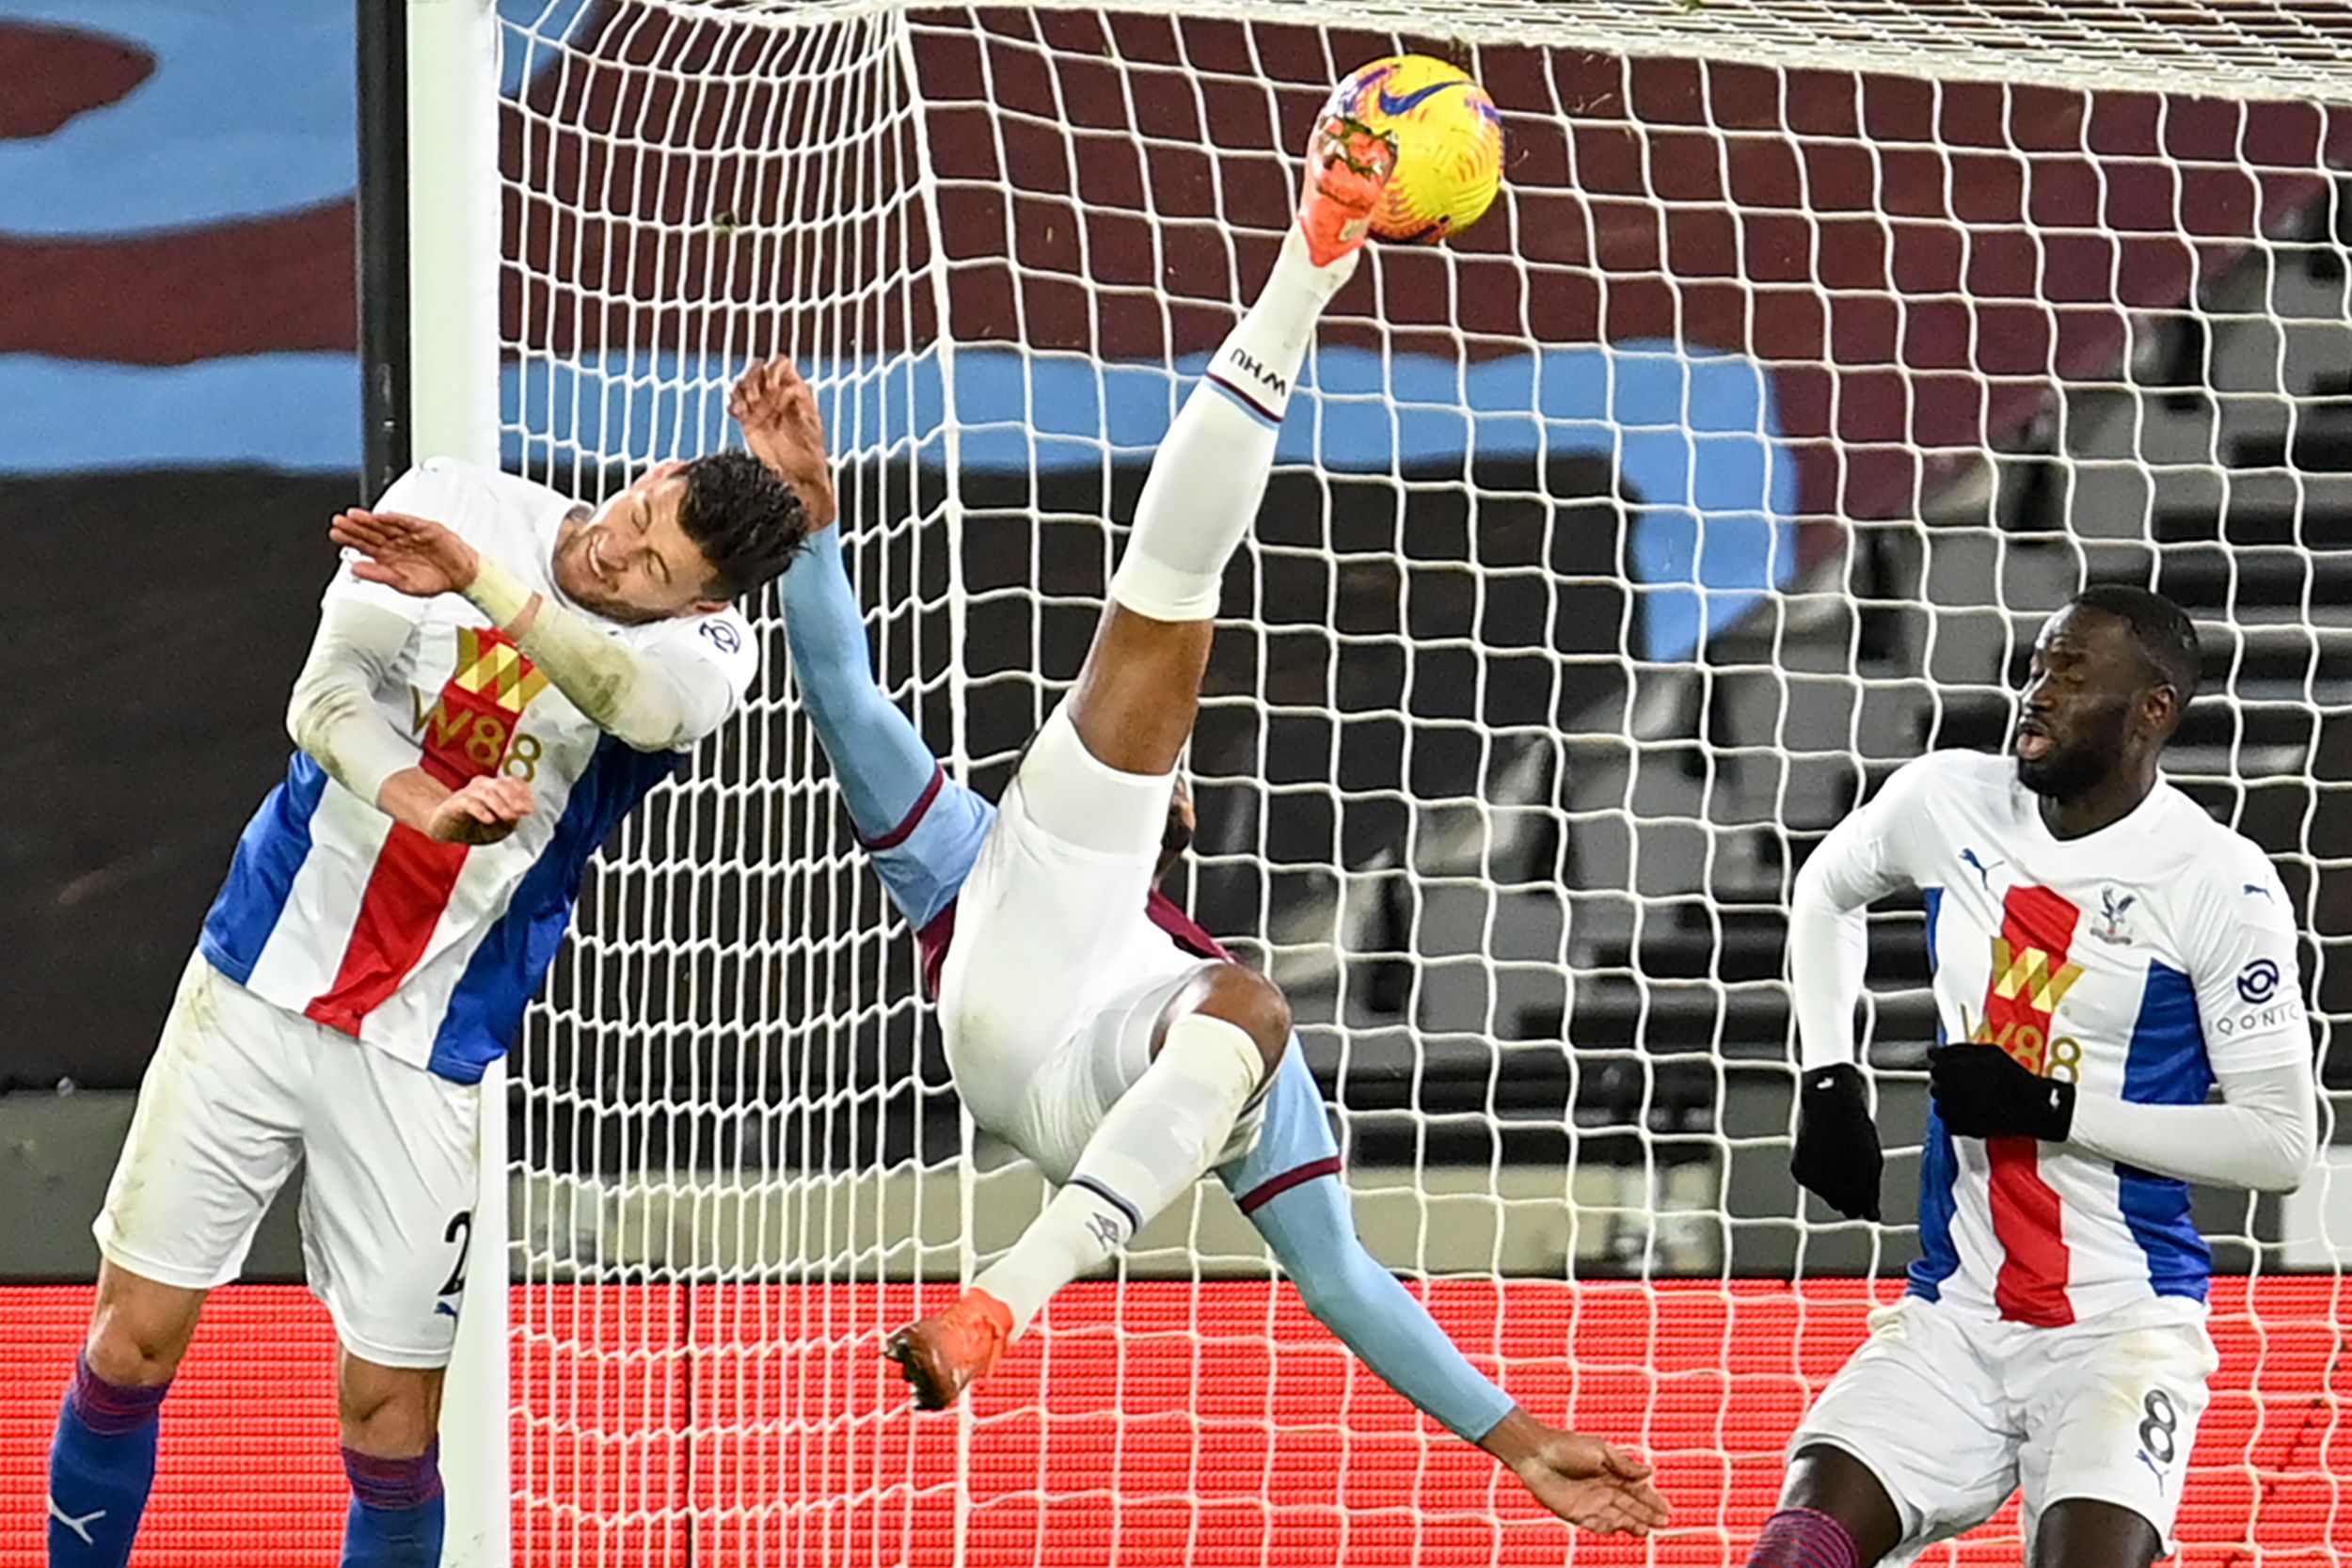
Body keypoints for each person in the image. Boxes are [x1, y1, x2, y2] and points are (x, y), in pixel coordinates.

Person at [730, 109, 1670, 1542]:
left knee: (1238, 1000)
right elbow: (848, 699)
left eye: (1171, 772)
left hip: (1091, 1072)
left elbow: (1346, 1277)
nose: (1160, 762)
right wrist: (805, 525)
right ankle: (1310, 263)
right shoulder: (975, 852)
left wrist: (1519, 1438)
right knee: (1167, 610)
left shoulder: (1230, 1031)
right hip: (1022, 973)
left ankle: (1002, 1301)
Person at [47, 447, 810, 1568]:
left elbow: (628, 700)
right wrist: (425, 801)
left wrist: (481, 585)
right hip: (258, 978)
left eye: (653, 560)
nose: (620, 540)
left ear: (699, 598)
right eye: (640, 504)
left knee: (391, 1421)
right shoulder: (454, 497)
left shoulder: (707, 653)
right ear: (651, 470)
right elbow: (323, 700)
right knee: (130, 1343)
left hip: (424, 1045)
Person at [1763, 584, 2318, 1568]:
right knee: (1798, 1549)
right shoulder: (1946, 798)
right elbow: (1824, 887)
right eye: (2036, 665)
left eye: (2071, 673)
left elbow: (2280, 1141)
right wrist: (1826, 1078)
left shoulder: (2215, 881)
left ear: (2153, 708)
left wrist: (2053, 1108)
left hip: (2121, 1322)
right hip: (1953, 1314)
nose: (2038, 692)